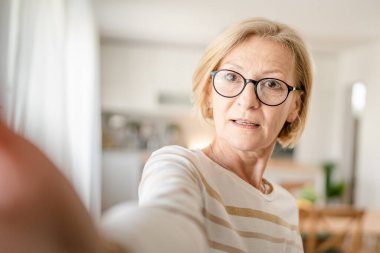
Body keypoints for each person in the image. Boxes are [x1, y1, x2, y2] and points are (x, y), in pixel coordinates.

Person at [0, 17, 312, 253]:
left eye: (271, 83)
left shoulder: (285, 206)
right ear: (208, 93)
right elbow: (168, 219)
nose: (248, 100)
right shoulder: (179, 165)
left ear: (295, 105)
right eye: (231, 77)